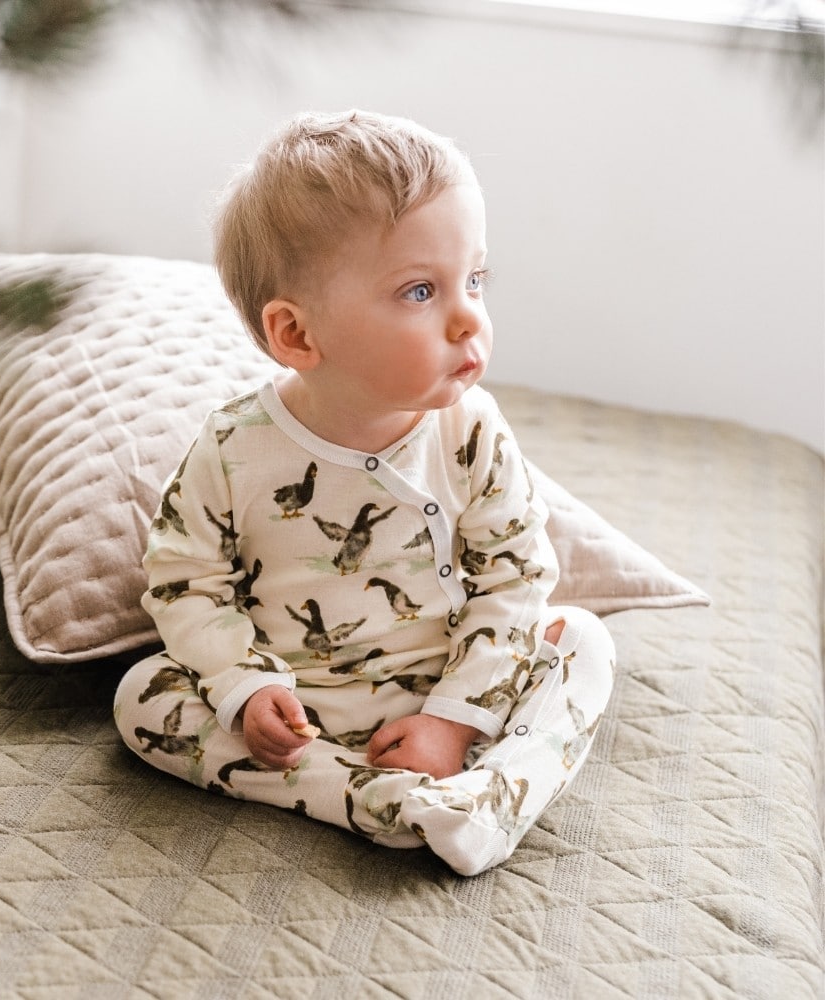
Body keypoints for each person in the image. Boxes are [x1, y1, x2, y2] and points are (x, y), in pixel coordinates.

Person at [113, 109, 615, 876]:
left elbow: (515, 577)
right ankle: (375, 798)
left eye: (474, 280)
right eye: (420, 291)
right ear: (296, 335)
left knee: (580, 639)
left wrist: (453, 721)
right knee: (143, 696)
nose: (468, 318)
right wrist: (247, 689)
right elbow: (186, 582)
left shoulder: (470, 429)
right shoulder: (234, 449)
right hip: (302, 704)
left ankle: (492, 796)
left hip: (457, 683)